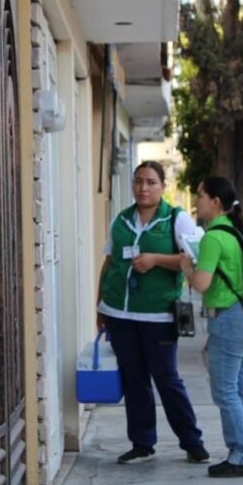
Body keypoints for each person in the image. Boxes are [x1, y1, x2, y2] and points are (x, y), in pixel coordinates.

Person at [96, 161, 209, 465]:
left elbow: (193, 259)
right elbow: (109, 264)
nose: (143, 188)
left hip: (159, 316)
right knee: (134, 380)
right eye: (138, 182)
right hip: (120, 314)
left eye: (150, 182)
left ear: (162, 186)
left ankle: (192, 441)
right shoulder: (121, 220)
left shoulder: (176, 218)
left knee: (167, 379)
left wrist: (156, 259)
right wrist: (100, 306)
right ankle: (142, 443)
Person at [179, 176, 243, 478]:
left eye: (201, 195)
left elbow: (202, 283)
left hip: (228, 320)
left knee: (225, 392)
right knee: (241, 390)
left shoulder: (213, 237)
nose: (197, 200)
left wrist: (187, 266)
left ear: (215, 202)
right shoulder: (234, 231)